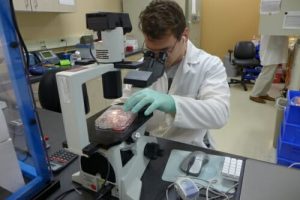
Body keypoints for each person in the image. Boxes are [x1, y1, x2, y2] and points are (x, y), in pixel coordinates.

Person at [120, 0, 230, 148]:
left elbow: (219, 113)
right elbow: (125, 102)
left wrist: (172, 103)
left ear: (184, 35)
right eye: (151, 51)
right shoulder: (141, 65)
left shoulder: (209, 65)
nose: (157, 58)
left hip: (188, 146)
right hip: (149, 143)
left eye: (165, 51)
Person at [250, 35, 289, 104]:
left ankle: (263, 93)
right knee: (266, 75)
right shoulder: (271, 26)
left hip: (275, 52)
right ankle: (254, 95)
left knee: (271, 76)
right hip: (270, 53)